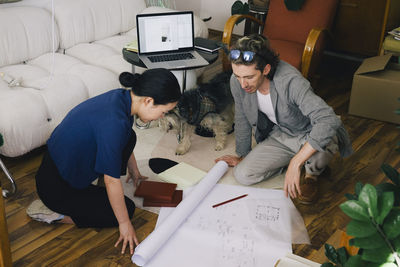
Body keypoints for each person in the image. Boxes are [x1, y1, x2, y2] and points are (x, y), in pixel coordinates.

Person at [30, 68, 181, 255]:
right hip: (56, 188)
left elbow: (124, 138)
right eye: (164, 111)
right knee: (126, 209)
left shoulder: (121, 98)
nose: (163, 116)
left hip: (59, 168)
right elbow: (112, 180)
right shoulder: (114, 124)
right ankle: (56, 214)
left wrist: (134, 170)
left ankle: (96, 194)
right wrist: (124, 224)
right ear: (148, 101)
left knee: (130, 136)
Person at [216, 34, 353, 204]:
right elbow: (242, 117)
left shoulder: (290, 81)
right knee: (243, 174)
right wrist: (243, 155)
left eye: (249, 77)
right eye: (238, 76)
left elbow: (328, 120)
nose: (243, 84)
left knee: (325, 137)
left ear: (265, 69)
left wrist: (296, 162)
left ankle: (311, 176)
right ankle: (302, 161)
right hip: (283, 134)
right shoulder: (237, 82)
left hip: (310, 131)